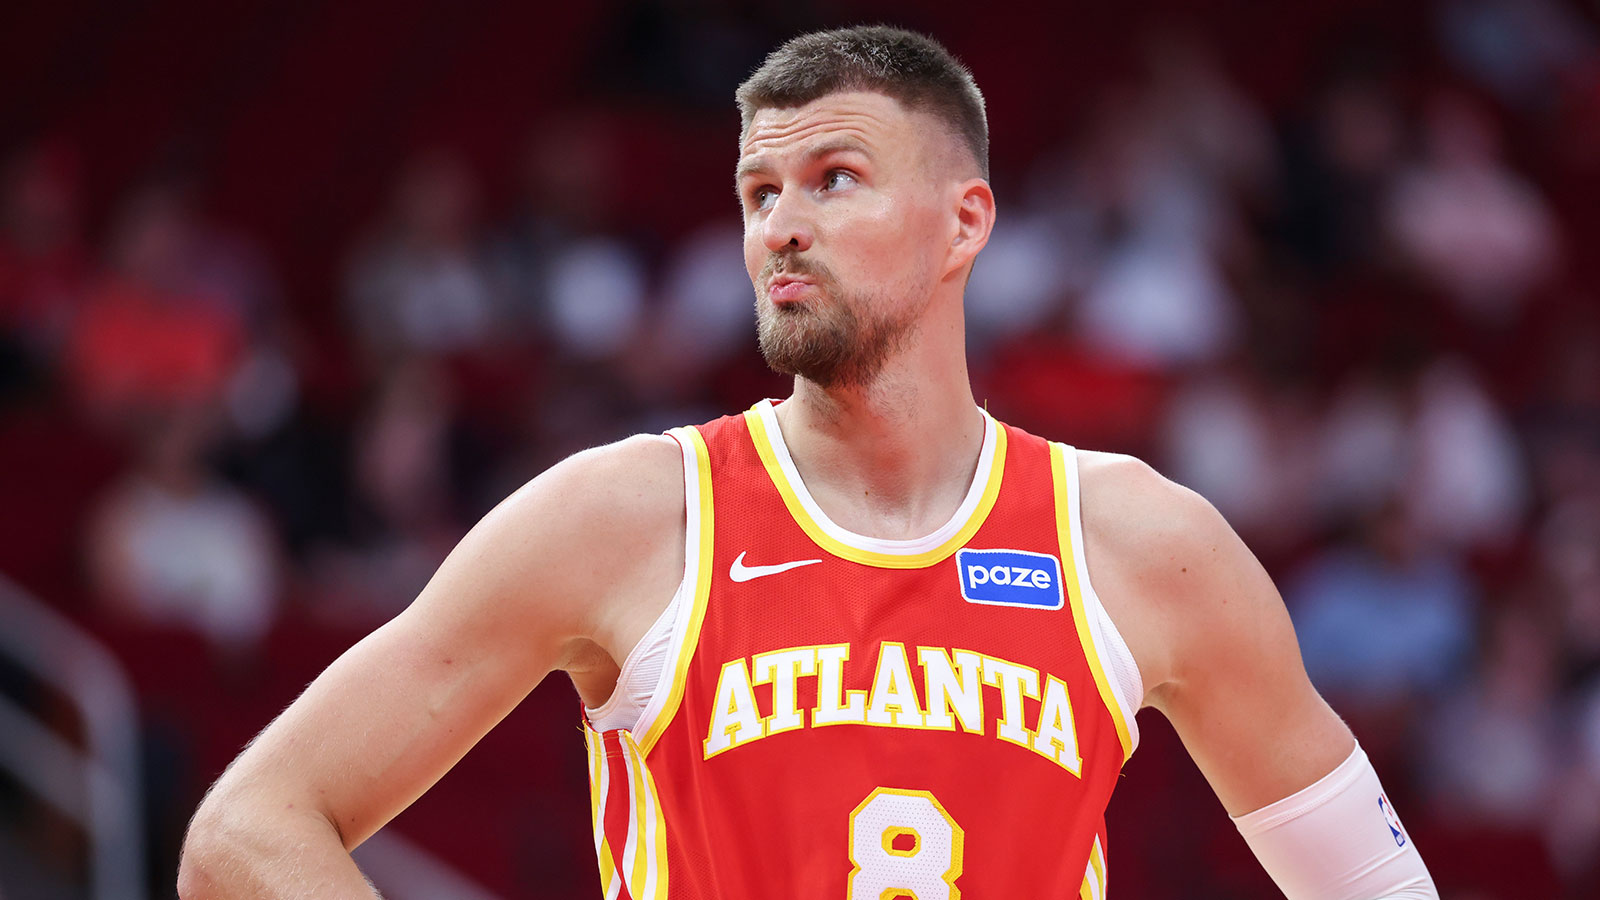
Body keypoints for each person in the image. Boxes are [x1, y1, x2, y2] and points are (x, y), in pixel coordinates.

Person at [178, 26, 1437, 899]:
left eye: (833, 179)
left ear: (964, 223)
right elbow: (244, 832)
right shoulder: (628, 517)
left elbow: (1374, 878)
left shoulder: (1137, 541)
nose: (781, 222)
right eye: (757, 190)